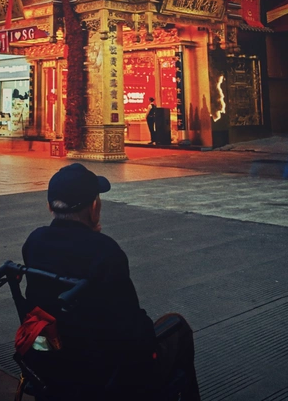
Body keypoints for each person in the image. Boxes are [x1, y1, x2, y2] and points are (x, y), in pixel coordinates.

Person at [21, 163, 200, 399]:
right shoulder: (105, 251)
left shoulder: (34, 242)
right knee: (178, 327)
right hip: (105, 376)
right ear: (94, 206)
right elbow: (134, 329)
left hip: (52, 365)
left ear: (50, 207)